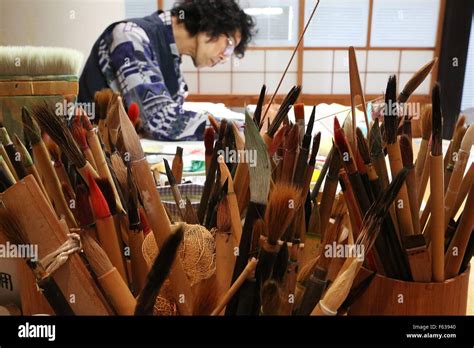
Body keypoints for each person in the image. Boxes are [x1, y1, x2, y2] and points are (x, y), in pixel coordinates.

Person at [79, 0, 255, 141]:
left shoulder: (173, 56)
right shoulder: (130, 36)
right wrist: (247, 127)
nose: (225, 56)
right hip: (92, 155)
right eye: (229, 44)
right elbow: (160, 120)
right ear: (211, 23)